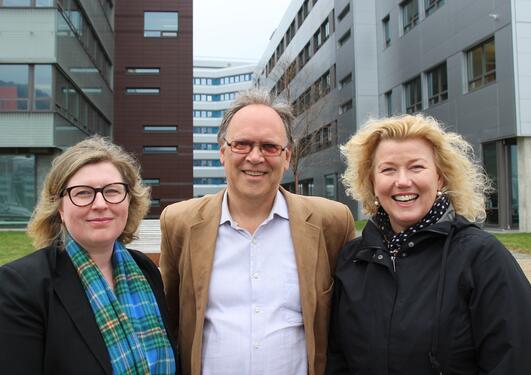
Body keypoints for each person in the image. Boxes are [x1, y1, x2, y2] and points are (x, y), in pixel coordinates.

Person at [160, 88, 355, 375]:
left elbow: (347, 323)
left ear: (287, 156)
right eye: (242, 144)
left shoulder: (332, 222)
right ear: (223, 152)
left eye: (269, 146)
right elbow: (169, 321)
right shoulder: (180, 222)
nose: (255, 157)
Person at [326, 114, 531, 374]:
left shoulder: (481, 257)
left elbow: (515, 360)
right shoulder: (352, 259)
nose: (402, 181)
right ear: (372, 182)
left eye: (416, 167)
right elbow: (337, 358)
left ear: (440, 178)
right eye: (388, 169)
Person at [0, 137, 179, 375]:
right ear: (60, 207)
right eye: (83, 193)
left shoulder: (144, 269)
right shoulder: (20, 286)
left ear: (129, 200)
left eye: (112, 191)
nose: (100, 204)